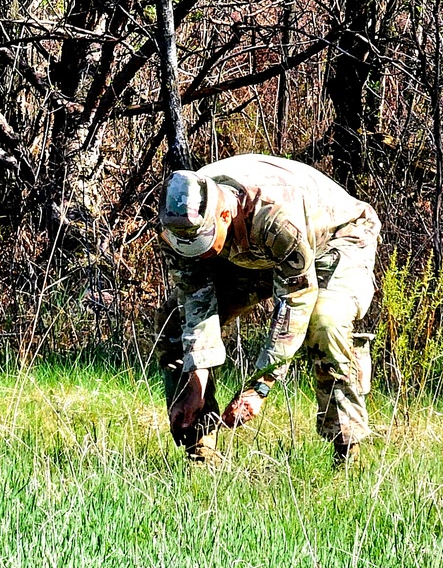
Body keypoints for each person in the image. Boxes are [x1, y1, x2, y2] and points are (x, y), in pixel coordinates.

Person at [156, 154, 380, 464]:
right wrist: (197, 380)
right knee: (174, 324)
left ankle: (347, 450)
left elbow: (296, 298)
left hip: (336, 239)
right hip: (250, 250)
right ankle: (200, 449)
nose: (199, 253)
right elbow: (197, 304)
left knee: (327, 322)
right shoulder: (179, 222)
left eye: (204, 241)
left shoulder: (277, 216)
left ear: (223, 214)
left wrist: (260, 385)